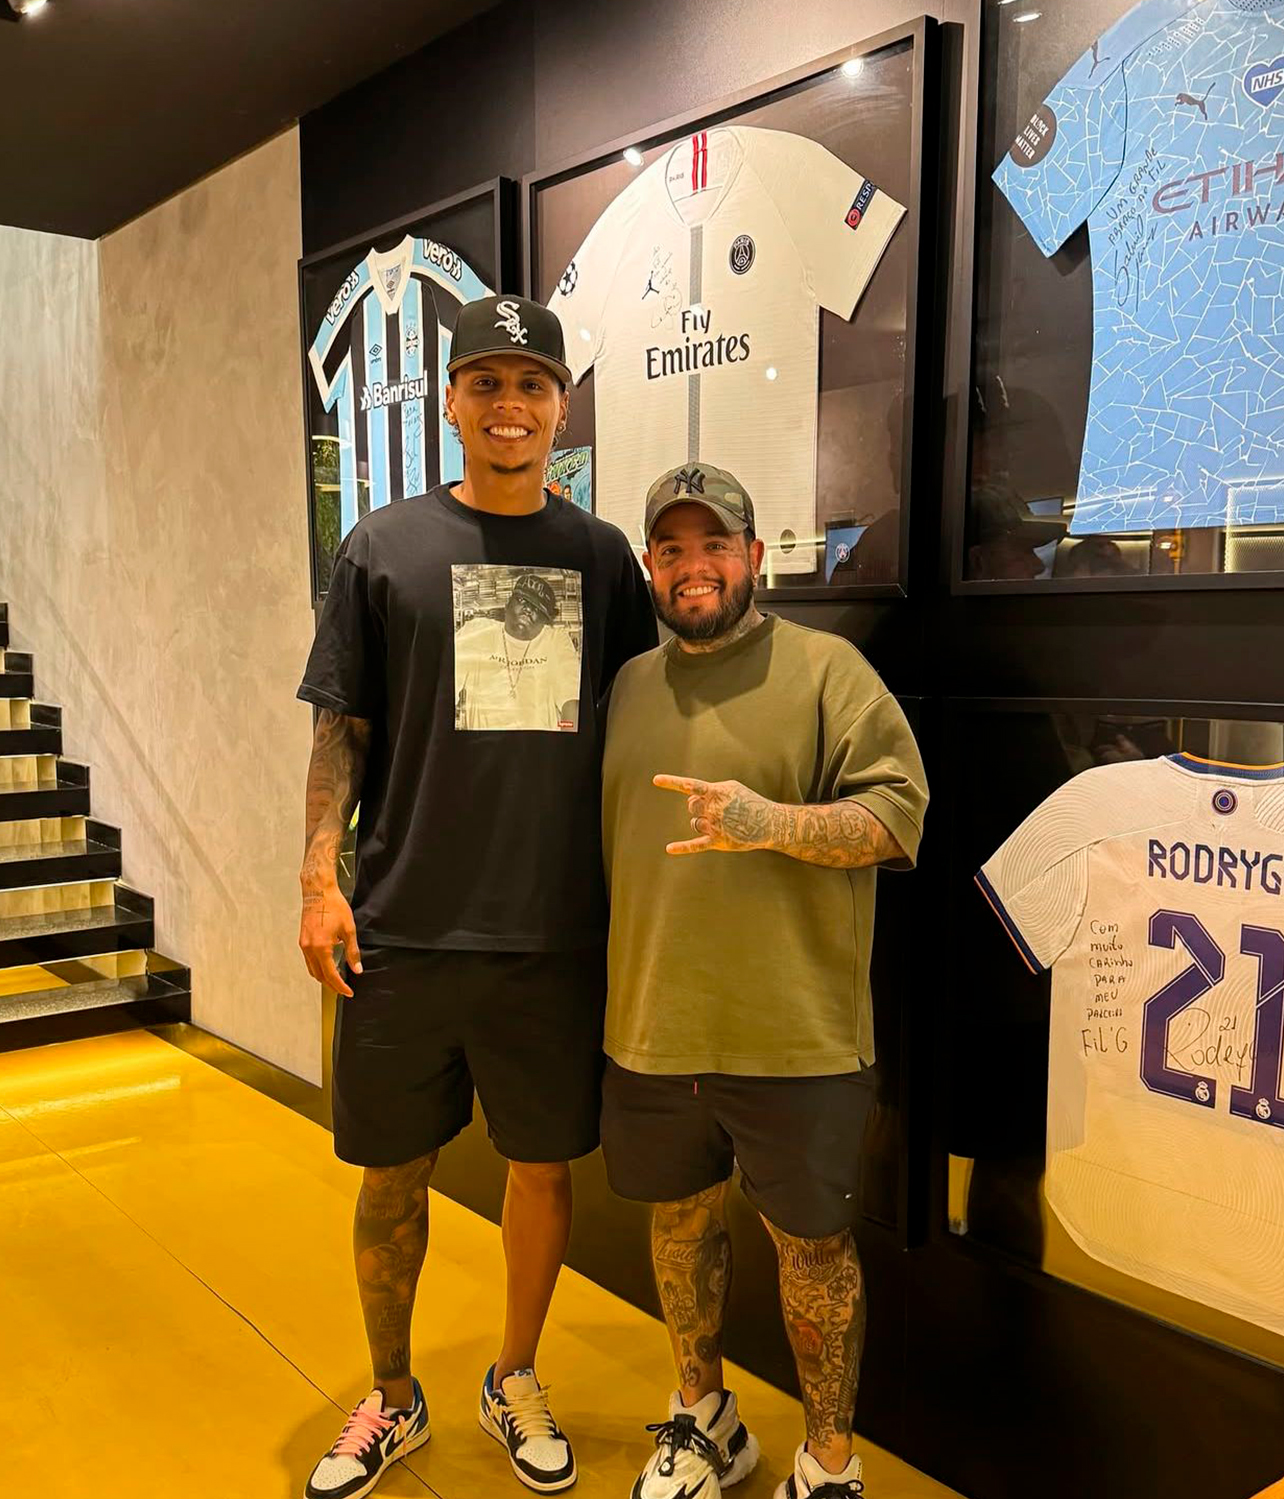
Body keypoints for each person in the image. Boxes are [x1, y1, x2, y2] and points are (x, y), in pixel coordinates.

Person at [296, 293, 657, 1499]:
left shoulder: (602, 558)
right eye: (488, 382)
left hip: (551, 933)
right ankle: (393, 1394)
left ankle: (513, 1373)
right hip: (401, 926)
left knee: (543, 1167)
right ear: (451, 401)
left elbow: (640, 727)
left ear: (562, 406)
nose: (511, 405)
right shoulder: (382, 547)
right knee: (390, 1173)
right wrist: (317, 880)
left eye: (533, 384)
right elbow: (341, 730)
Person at [600, 463, 928, 1499]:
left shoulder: (829, 671)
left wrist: (767, 822)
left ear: (754, 553)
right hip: (653, 1025)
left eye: (715, 544)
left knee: (814, 1250)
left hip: (798, 1033)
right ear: (650, 564)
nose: (693, 566)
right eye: (673, 548)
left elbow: (898, 818)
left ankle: (828, 1464)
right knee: (679, 1224)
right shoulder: (627, 686)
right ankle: (704, 1421)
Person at [453, 570, 583, 731]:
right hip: (485, 744)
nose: (528, 609)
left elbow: (571, 702)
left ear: (545, 621)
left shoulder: (555, 640)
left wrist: (567, 740)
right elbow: (446, 685)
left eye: (537, 608)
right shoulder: (478, 630)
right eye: (522, 600)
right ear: (507, 603)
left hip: (540, 745)